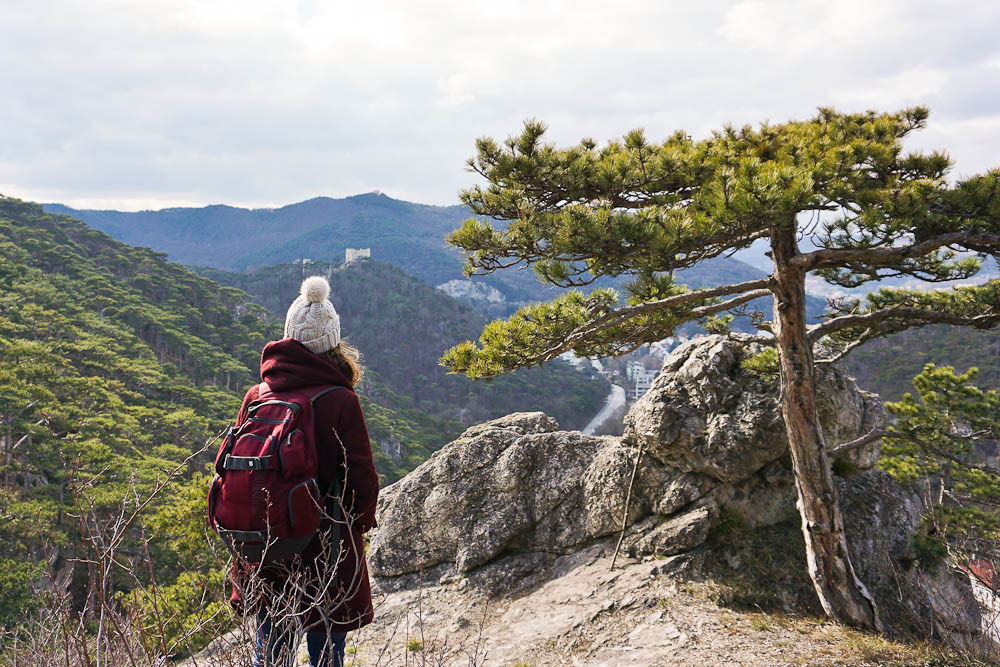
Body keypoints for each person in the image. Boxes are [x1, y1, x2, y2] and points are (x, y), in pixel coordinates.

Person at [230, 275, 379, 667]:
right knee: (327, 653)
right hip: (324, 548)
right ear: (333, 341)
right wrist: (360, 524)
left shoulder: (257, 396)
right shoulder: (339, 400)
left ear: (288, 337)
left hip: (264, 548)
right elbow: (361, 478)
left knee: (271, 653)